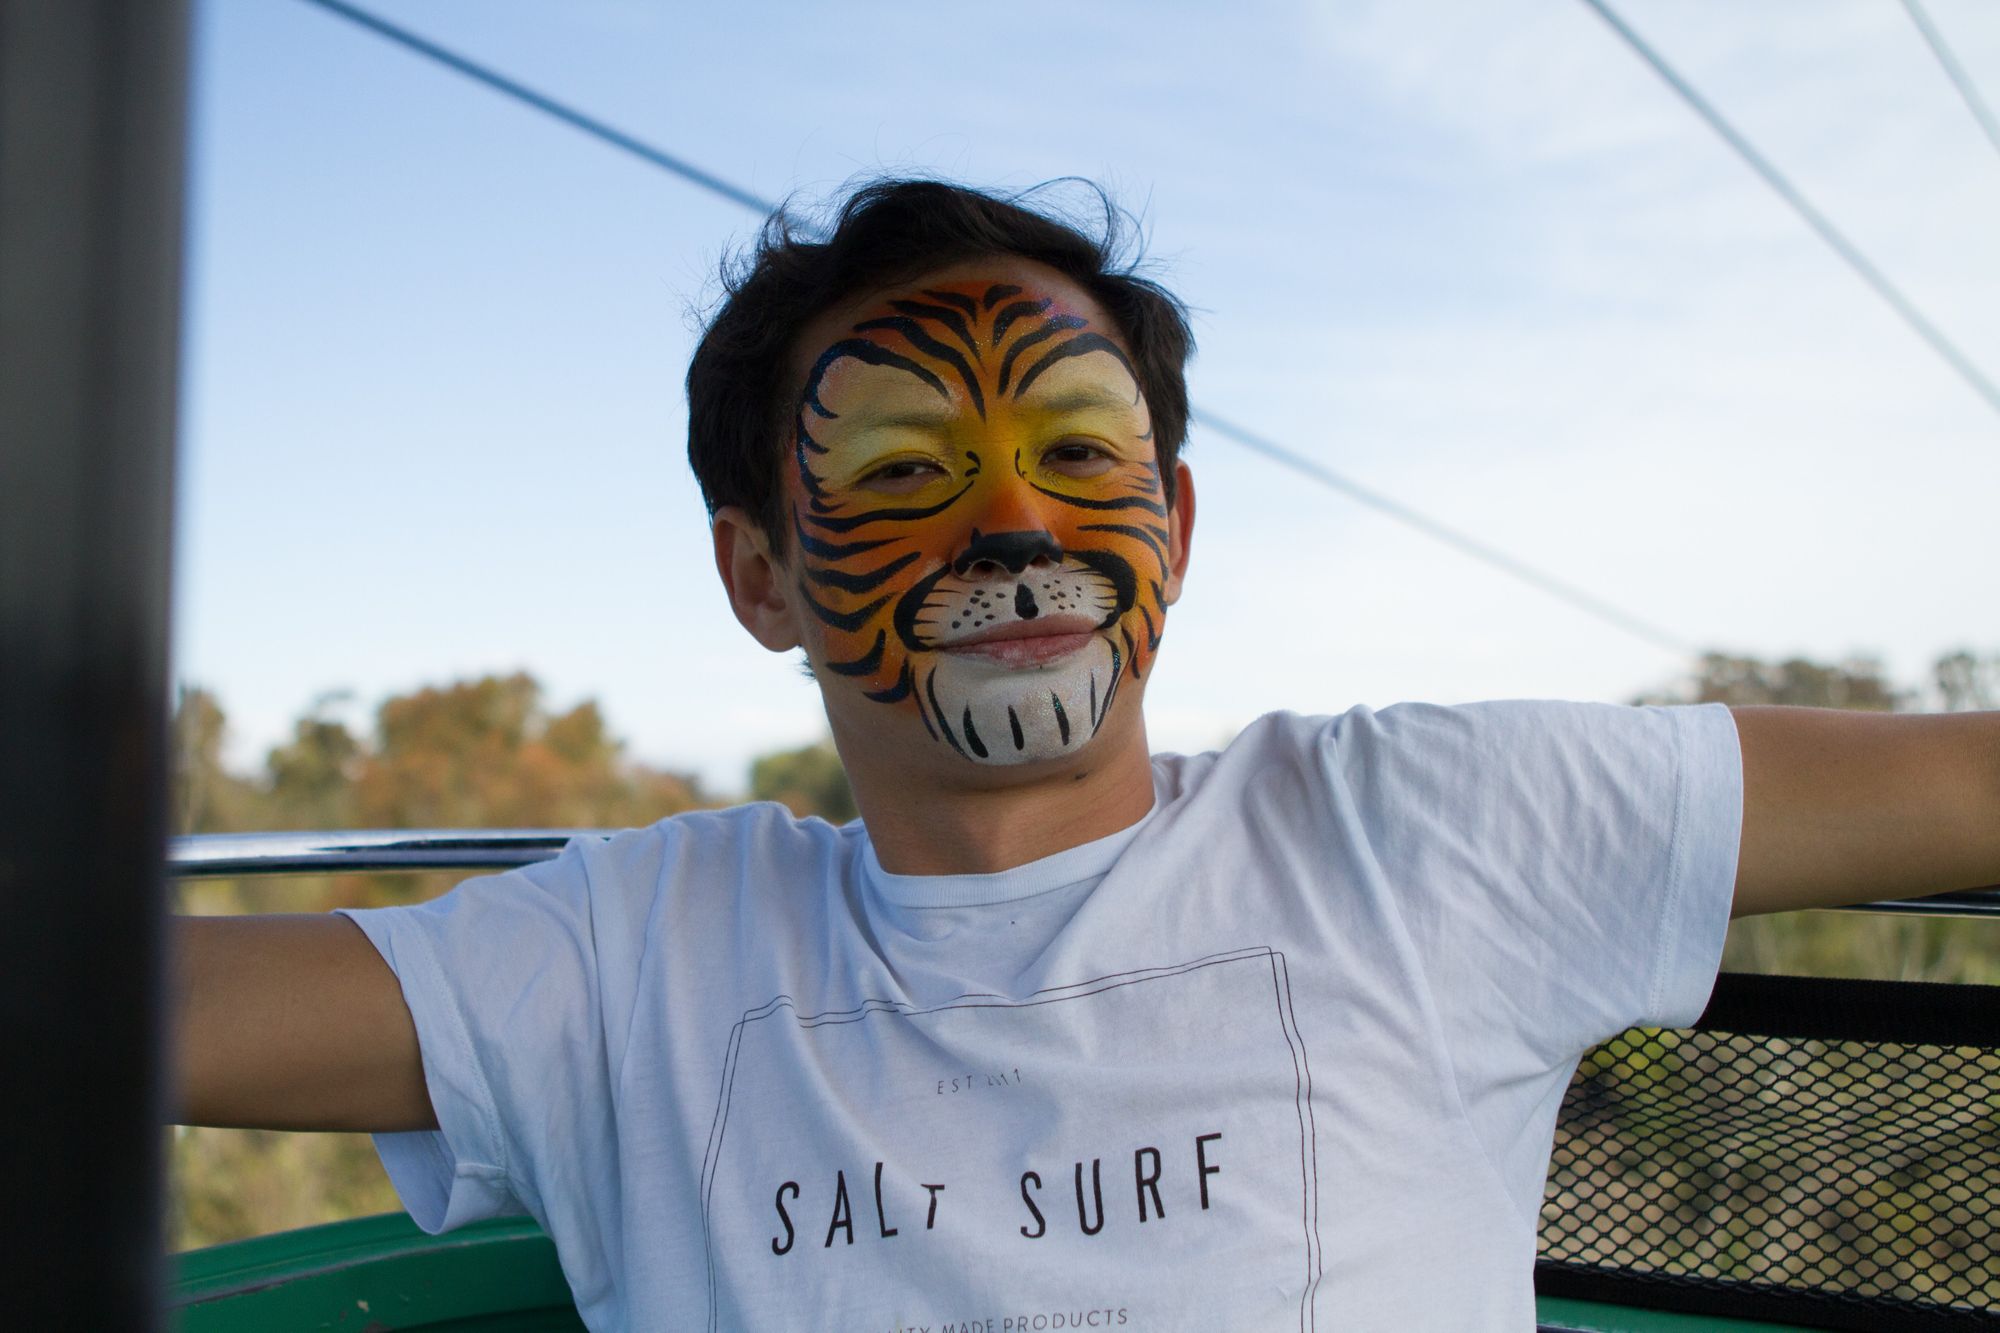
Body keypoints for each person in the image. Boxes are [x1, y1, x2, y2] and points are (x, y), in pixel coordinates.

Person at [172, 178, 2000, 1331]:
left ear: (1173, 527)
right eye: (905, 469)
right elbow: (111, 1003)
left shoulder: (1426, 826)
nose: (1013, 521)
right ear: (762, 577)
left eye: (1076, 452)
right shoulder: (625, 955)